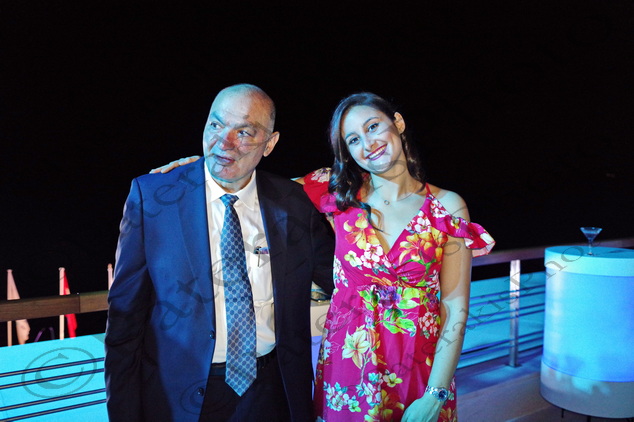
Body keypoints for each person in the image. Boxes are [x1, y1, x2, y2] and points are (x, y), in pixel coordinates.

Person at [154, 91, 495, 422]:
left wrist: (436, 392)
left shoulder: (446, 206)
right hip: (348, 367)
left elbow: (455, 308)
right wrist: (202, 168)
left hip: (421, 368)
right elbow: (251, 183)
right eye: (353, 140)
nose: (368, 143)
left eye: (373, 127)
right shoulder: (338, 193)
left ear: (398, 123)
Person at [104, 83, 335, 422]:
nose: (223, 142)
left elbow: (346, 281)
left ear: (270, 143)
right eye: (216, 125)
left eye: (244, 132)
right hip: (178, 396)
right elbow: (125, 318)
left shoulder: (293, 203)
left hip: (273, 391)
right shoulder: (155, 197)